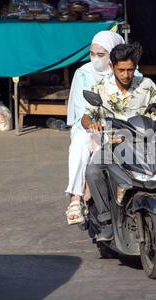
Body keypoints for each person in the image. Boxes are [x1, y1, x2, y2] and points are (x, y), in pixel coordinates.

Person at [81, 42, 156, 241]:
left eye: (130, 69)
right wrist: (91, 125)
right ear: (112, 67)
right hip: (114, 146)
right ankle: (106, 221)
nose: (126, 75)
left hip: (147, 144)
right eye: (121, 70)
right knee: (92, 170)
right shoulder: (100, 89)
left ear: (135, 67)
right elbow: (86, 116)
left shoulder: (147, 86)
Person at [65, 30, 125, 225]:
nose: (95, 59)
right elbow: (82, 111)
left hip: (121, 127)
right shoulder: (83, 73)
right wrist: (92, 126)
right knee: (80, 145)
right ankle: (75, 198)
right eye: (92, 54)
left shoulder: (128, 72)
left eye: (101, 54)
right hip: (89, 126)